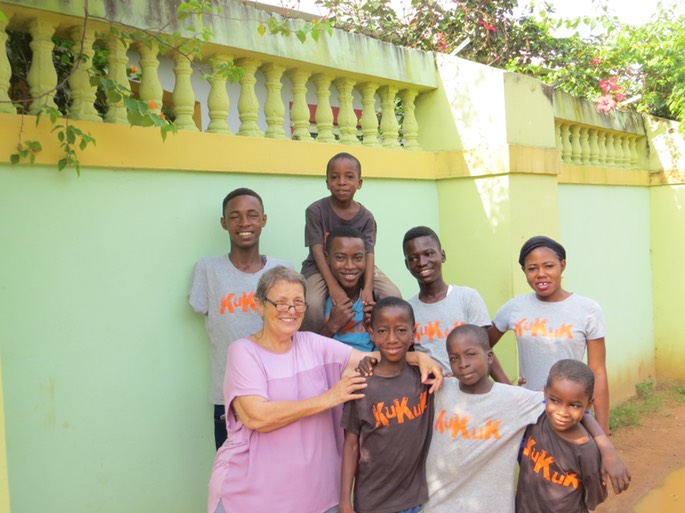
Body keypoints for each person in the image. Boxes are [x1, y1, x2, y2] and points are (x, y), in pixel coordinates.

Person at [207, 266, 443, 513]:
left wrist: (418, 359)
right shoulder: (243, 351)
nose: (291, 311)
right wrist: (330, 398)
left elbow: (377, 357)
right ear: (259, 305)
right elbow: (257, 416)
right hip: (250, 495)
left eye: (299, 303)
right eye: (281, 302)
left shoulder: (313, 344)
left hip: (315, 497)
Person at [423, 325, 629, 513]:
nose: (463, 364)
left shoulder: (515, 400)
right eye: (454, 358)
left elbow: (572, 407)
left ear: (489, 357)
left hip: (488, 506)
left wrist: (607, 449)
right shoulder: (440, 388)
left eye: (470, 354)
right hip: (438, 503)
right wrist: (417, 357)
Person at [188, 188, 293, 450]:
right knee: (232, 479)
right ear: (223, 223)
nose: (244, 223)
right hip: (229, 397)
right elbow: (199, 305)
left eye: (252, 215)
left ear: (264, 220)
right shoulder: (207, 270)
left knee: (277, 474)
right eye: (234, 216)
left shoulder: (282, 271)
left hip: (277, 393)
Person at [488, 235, 611, 433]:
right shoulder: (515, 308)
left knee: (572, 463)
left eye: (549, 266)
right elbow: (482, 347)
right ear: (524, 272)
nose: (541, 274)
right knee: (531, 462)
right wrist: (506, 387)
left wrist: (603, 430)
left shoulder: (588, 310)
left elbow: (598, 371)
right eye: (532, 268)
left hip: (572, 413)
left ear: (562, 266)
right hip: (528, 412)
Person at [340, 297, 435, 513]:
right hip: (373, 504)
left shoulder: (424, 380)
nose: (392, 339)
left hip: (413, 502)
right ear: (371, 334)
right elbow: (351, 445)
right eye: (382, 331)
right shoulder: (361, 384)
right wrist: (345, 500)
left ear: (414, 332)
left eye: (401, 330)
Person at [300, 152, 401, 332]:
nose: (341, 182)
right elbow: (317, 250)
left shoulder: (367, 217)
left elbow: (369, 253)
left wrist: (368, 287)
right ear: (326, 182)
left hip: (358, 265)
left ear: (359, 183)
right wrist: (333, 287)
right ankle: (310, 347)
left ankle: (385, 344)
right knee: (312, 303)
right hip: (319, 266)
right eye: (334, 177)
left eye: (349, 177)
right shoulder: (315, 211)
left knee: (392, 295)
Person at [516, 359, 608, 513]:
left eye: (574, 405)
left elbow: (594, 498)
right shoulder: (535, 419)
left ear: (589, 404)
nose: (562, 412)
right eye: (555, 401)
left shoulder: (587, 451)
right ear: (545, 392)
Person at [402, 226, 491, 374]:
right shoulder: (407, 310)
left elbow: (484, 351)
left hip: (469, 391)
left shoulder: (467, 297)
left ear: (442, 255)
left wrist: (508, 388)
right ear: (407, 265)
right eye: (413, 258)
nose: (422, 262)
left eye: (428, 253)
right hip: (431, 393)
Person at [320, 227, 375, 352]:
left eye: (358, 257)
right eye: (340, 257)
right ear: (327, 258)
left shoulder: (373, 298)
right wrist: (332, 326)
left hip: (368, 367)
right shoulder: (318, 300)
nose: (350, 266)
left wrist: (376, 329)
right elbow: (309, 353)